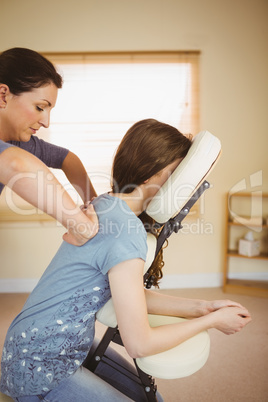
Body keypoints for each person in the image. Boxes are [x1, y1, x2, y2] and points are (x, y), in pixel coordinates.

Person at [0, 119, 251, 401]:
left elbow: (128, 293)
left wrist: (204, 307)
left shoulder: (106, 203)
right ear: (150, 173)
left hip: (46, 344)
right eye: (178, 174)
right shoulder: (126, 231)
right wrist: (213, 321)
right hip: (36, 365)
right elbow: (140, 344)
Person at [0, 47, 98, 245]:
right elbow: (16, 164)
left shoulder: (19, 143)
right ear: (3, 96)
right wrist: (83, 227)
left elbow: (68, 160)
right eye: (39, 107)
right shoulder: (14, 154)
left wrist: (95, 205)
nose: (46, 122)